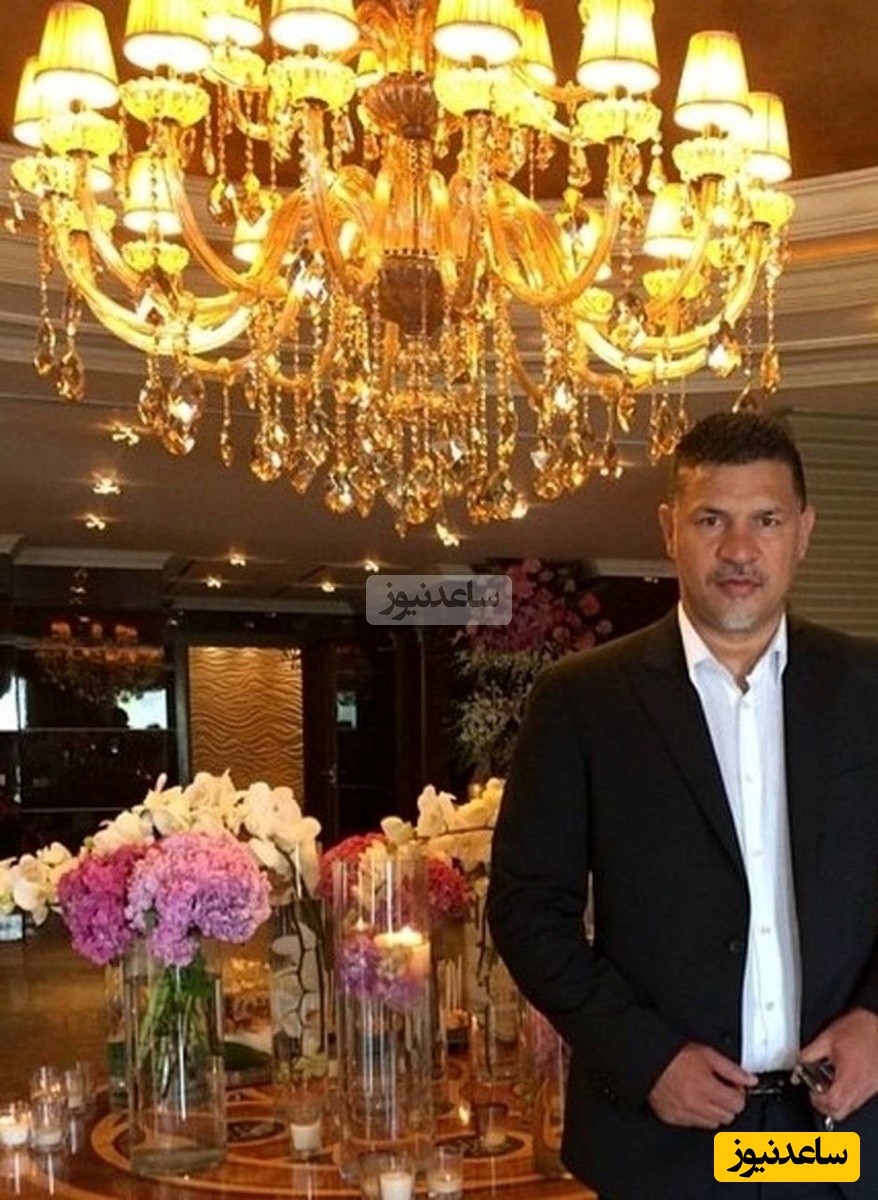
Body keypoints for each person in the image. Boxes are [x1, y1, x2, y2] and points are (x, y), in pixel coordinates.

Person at [487, 411, 878, 1199]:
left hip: (842, 1132)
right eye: (711, 520)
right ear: (670, 529)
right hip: (665, 1144)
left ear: (803, 531)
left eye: (766, 520)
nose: (739, 549)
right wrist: (644, 1058)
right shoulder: (582, 702)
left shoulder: (869, 688)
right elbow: (527, 909)